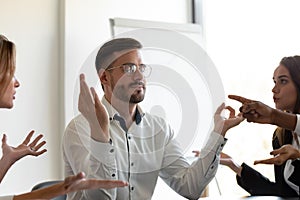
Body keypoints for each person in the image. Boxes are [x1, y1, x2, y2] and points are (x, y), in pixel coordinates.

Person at [62, 37, 244, 200]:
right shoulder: (80, 129)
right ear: (104, 77)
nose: (139, 76)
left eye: (141, 68)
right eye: (129, 68)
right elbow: (100, 198)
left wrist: (218, 133)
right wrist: (99, 132)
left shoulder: (158, 128)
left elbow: (190, 187)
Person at [0, 34, 128, 200]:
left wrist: (7, 160)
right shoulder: (78, 128)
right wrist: (59, 189)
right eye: (11, 73)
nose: (17, 83)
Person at [219, 56, 300, 197]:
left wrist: (274, 116)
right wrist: (234, 165)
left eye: (283, 81)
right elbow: (283, 192)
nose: (274, 89)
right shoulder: (281, 135)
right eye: (275, 82)